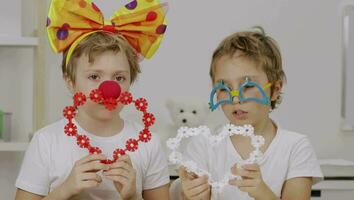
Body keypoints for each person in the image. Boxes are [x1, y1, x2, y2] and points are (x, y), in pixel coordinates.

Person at [15, 0, 170, 199]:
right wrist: (65, 189)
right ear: (70, 82)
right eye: (94, 77)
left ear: (130, 82)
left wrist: (133, 196)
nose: (109, 89)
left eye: (119, 78)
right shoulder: (46, 141)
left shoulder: (149, 144)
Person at [178, 27, 323, 200]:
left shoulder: (296, 148)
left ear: (275, 90)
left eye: (247, 86)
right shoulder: (203, 146)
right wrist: (190, 195)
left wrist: (262, 192)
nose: (236, 99)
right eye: (224, 88)